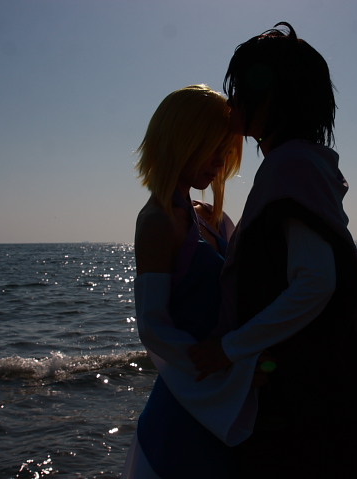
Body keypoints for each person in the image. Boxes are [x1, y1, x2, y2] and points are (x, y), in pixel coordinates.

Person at [188, 23, 357, 477]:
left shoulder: (290, 165)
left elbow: (315, 282)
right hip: (315, 394)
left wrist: (228, 349)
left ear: (271, 98)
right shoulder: (303, 164)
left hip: (308, 408)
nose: (233, 102)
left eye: (242, 89)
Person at [123, 85, 259, 479]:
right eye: (211, 147)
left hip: (224, 395)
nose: (220, 160)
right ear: (180, 141)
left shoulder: (211, 216)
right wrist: (228, 368)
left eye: (225, 149)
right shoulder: (157, 221)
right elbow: (153, 326)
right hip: (191, 404)